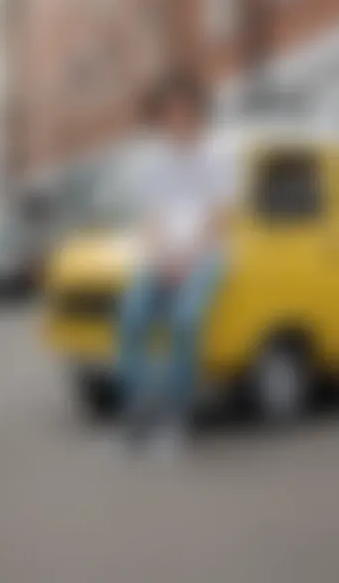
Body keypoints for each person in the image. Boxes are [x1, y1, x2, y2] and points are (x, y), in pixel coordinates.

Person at [118, 71, 236, 450]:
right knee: (131, 316)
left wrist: (186, 260)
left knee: (185, 322)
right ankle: (140, 412)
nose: (175, 121)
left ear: (198, 115)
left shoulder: (219, 158)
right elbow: (149, 221)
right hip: (161, 258)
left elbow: (218, 220)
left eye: (183, 112)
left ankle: (177, 416)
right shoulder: (150, 164)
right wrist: (162, 258)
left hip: (206, 256)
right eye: (166, 114)